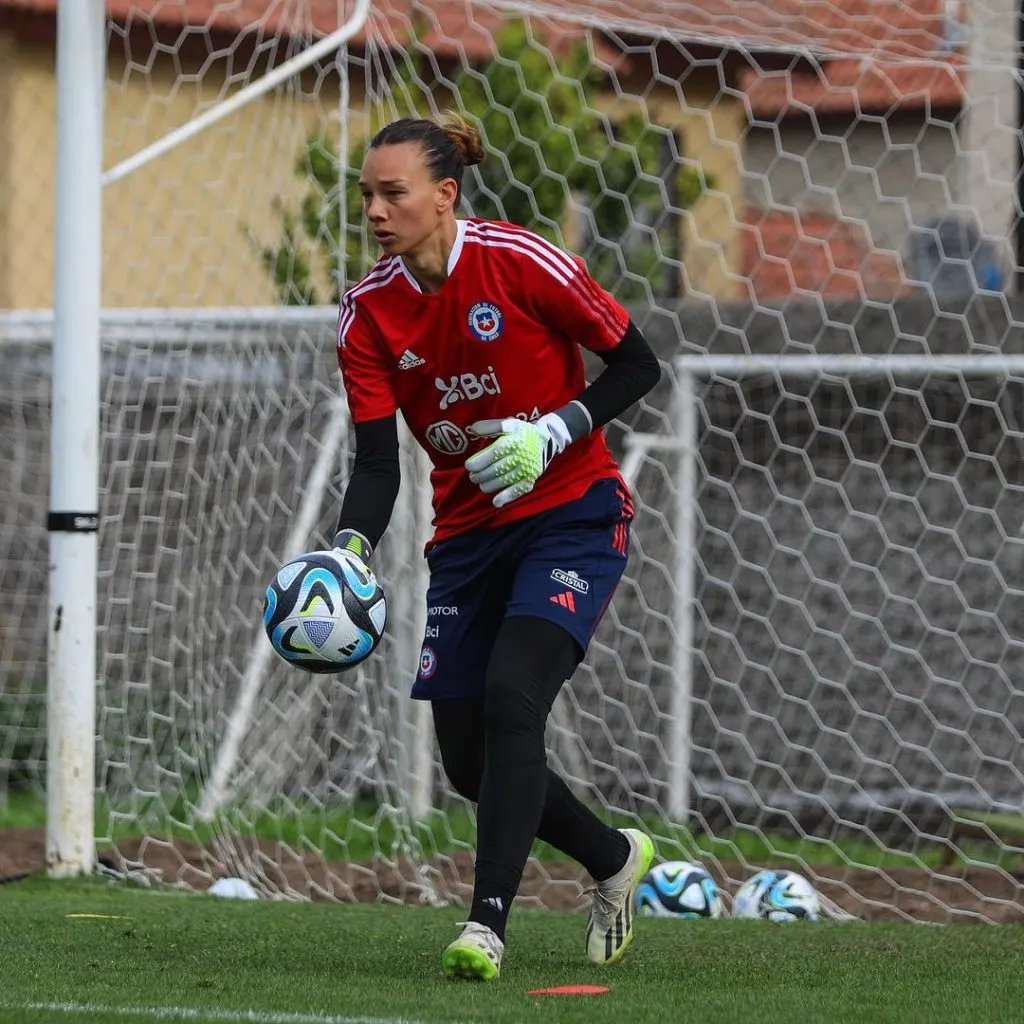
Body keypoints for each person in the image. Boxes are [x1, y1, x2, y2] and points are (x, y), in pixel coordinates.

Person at [332, 111, 662, 981]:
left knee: (515, 696)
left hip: (573, 514)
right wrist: (348, 551)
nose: (375, 211)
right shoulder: (367, 315)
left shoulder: (522, 261)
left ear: (445, 195)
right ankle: (614, 858)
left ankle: (486, 926)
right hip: (468, 538)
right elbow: (377, 465)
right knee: (470, 762)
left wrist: (556, 429)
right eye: (366, 195)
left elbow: (639, 365)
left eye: (393, 193)